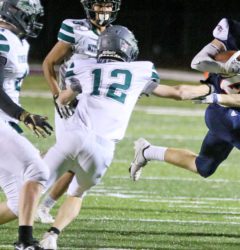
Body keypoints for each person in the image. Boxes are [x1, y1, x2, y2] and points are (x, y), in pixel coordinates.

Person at [129, 3, 240, 238]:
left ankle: (147, 151)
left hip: (226, 107)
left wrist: (214, 96)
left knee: (204, 167)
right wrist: (223, 66)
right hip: (221, 113)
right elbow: (197, 62)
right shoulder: (232, 34)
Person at [39, 25, 210, 249]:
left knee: (32, 185)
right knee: (78, 194)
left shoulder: (84, 66)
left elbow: (62, 99)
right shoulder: (141, 70)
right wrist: (208, 89)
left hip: (75, 136)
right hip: (103, 148)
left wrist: (69, 96)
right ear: (127, 48)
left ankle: (27, 222)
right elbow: (178, 93)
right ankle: (52, 235)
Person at [36, 0, 122, 224]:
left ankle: (44, 205)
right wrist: (57, 95)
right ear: (89, 6)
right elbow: (49, 63)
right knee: (70, 156)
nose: (103, 10)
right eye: (100, 5)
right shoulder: (75, 28)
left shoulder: (116, 35)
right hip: (71, 103)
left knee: (79, 160)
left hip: (94, 107)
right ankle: (30, 178)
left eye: (108, 6)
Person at [0, 0, 53, 249]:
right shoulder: (2, 39)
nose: (33, 20)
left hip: (5, 122)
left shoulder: (17, 41)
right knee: (38, 171)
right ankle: (25, 242)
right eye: (29, 15)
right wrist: (23, 115)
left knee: (16, 202)